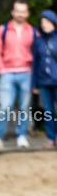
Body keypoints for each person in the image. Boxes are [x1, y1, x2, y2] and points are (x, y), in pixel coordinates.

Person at [0, 0, 36, 150]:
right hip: (7, 73)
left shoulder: (33, 31)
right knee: (5, 106)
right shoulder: (3, 30)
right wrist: (1, 69)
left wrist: (32, 70)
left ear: (27, 14)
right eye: (18, 11)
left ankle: (22, 136)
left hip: (26, 73)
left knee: (25, 107)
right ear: (13, 12)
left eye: (23, 11)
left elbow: (37, 53)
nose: (20, 14)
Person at [32, 10, 57, 148]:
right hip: (43, 82)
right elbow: (35, 62)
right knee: (48, 111)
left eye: (47, 22)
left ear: (53, 22)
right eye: (42, 23)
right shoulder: (38, 41)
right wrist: (34, 83)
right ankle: (51, 138)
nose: (45, 25)